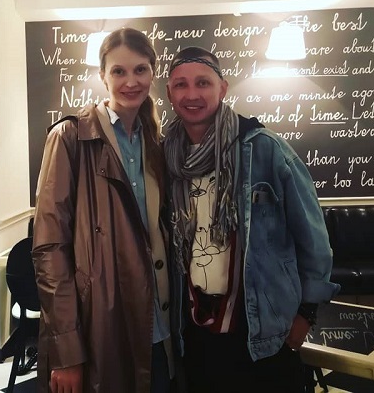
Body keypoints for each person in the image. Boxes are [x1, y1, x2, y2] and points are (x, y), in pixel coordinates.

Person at [163, 46, 340, 393]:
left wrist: (307, 313)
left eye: (203, 82)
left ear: (223, 88)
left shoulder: (265, 149)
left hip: (261, 330)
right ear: (169, 93)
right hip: (194, 329)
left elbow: (314, 239)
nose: (192, 94)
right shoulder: (164, 157)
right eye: (181, 84)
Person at [32, 27, 173, 393]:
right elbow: (49, 249)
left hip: (159, 325)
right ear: (103, 75)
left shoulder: (156, 142)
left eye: (140, 69)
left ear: (153, 72)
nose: (131, 81)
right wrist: (67, 350)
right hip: (101, 328)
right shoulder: (70, 138)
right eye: (119, 71)